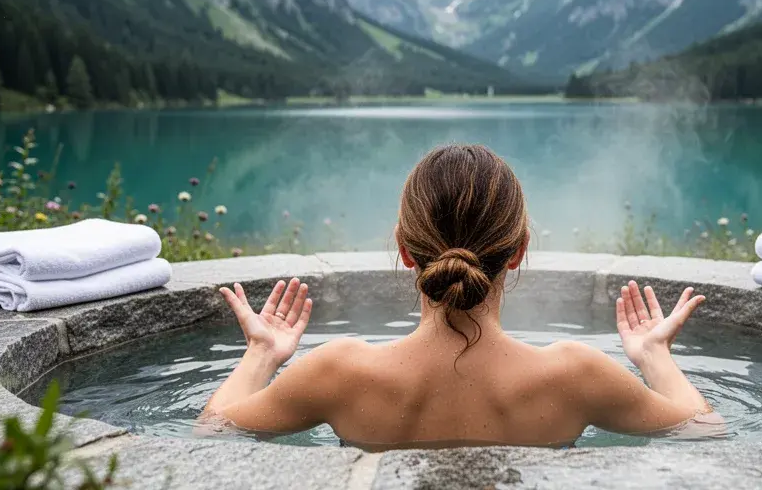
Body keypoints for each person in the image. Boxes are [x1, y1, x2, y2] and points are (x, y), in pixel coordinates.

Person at [200, 144, 715, 450]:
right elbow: (704, 432)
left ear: (404, 250)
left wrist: (261, 355)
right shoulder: (574, 375)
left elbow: (214, 433)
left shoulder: (339, 372)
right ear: (518, 251)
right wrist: (654, 357)